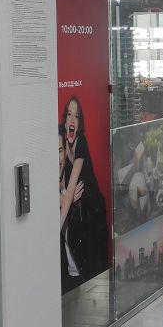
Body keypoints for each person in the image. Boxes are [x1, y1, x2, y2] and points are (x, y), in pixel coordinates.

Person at [60, 96, 109, 286]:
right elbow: (63, 187)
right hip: (78, 211)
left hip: (93, 212)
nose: (72, 119)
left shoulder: (81, 142)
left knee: (94, 272)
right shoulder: (61, 141)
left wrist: (55, 229)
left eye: (76, 116)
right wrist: (66, 197)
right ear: (65, 121)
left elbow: (71, 186)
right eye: (69, 114)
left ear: (79, 124)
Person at [59, 125, 85, 278]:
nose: (58, 158)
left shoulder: (70, 180)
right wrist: (67, 199)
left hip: (79, 272)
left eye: (60, 151)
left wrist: (67, 199)